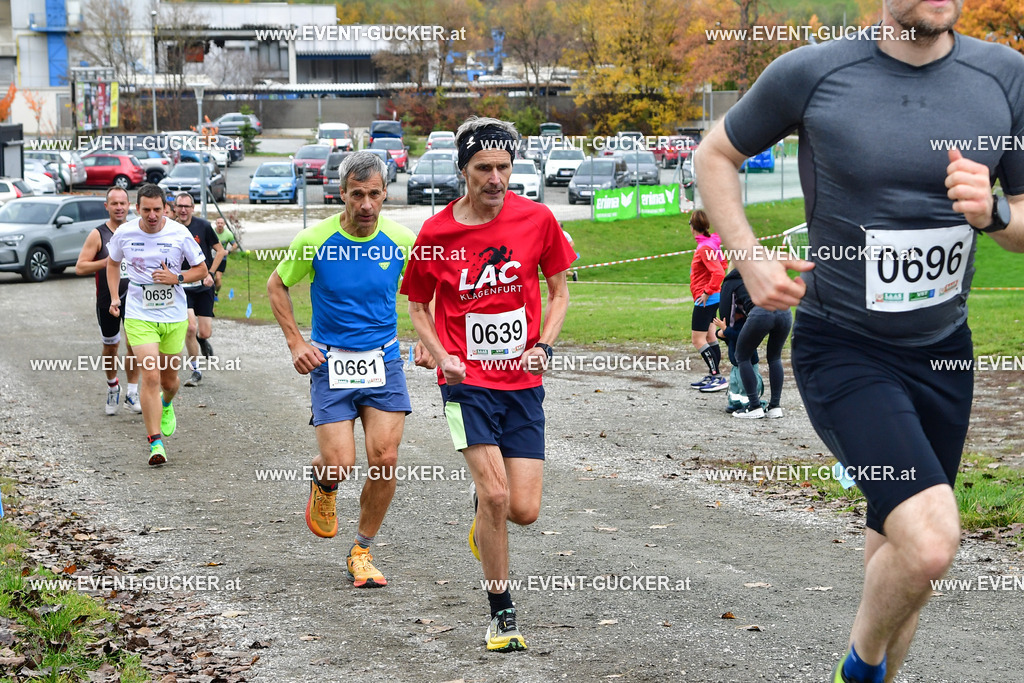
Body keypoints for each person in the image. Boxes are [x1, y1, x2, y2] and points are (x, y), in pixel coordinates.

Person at [695, 2, 1024, 681]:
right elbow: (715, 153)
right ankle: (860, 667)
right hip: (843, 349)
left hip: (943, 355)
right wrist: (750, 256)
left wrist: (995, 211)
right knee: (931, 541)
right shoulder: (814, 72)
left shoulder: (1006, 77)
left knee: (903, 559)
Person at [402, 116, 575, 653]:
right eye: (484, 169)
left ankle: (485, 526)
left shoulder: (538, 219)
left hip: (522, 381)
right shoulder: (437, 233)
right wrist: (441, 355)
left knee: (522, 510)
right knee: (495, 494)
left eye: (504, 167)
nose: (496, 179)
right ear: (463, 170)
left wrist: (544, 344)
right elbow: (418, 306)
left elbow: (559, 292)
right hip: (466, 383)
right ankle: (502, 616)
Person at [267, 151, 429, 589]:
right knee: (340, 462)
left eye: (374, 194)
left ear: (386, 194)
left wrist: (432, 343)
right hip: (331, 362)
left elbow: (424, 294)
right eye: (356, 194)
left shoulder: (402, 240)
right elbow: (277, 285)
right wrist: (296, 342)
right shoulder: (315, 240)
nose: (366, 205)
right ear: (341, 194)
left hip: (383, 360)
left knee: (386, 459)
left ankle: (361, 549)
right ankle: (325, 481)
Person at [106, 184, 208, 466]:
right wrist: (115, 297)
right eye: (146, 209)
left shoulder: (179, 233)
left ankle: (166, 404)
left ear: (167, 209)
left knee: (169, 382)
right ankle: (156, 444)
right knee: (149, 375)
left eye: (157, 210)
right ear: (137, 208)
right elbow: (113, 264)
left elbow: (202, 270)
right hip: (139, 314)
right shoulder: (124, 233)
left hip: (173, 316)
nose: (152, 215)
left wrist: (176, 278)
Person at [75, 187, 141, 415]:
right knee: (111, 346)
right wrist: (106, 263)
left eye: (123, 203)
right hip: (107, 300)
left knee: (134, 345)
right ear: (107, 206)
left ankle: (132, 392)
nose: (120, 207)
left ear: (129, 205)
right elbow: (80, 266)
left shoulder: (136, 231)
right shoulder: (98, 234)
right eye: (115, 203)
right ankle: (113, 386)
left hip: (135, 298)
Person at [719, 268, 790, 419]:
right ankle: (775, 407)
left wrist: (724, 334)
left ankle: (754, 407)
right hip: (785, 311)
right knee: (775, 358)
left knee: (742, 356)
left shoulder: (731, 281)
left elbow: (725, 316)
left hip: (762, 313)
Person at [173, 192, 226, 386]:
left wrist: (210, 274)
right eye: (180, 206)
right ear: (175, 207)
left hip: (203, 285)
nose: (183, 210)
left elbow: (220, 251)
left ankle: (202, 341)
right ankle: (196, 371)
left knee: (204, 332)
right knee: (190, 327)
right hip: (181, 286)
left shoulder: (203, 226)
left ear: (192, 208)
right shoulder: (170, 228)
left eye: (187, 206)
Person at [687, 210, 727, 392]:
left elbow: (719, 272)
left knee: (697, 339)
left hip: (707, 299)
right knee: (710, 336)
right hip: (714, 297)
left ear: (693, 226)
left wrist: (706, 291)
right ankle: (713, 375)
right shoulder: (711, 243)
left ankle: (717, 376)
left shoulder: (705, 248)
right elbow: (723, 264)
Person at [212, 217, 241, 297]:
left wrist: (228, 251)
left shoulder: (228, 234)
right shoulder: (211, 232)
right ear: (216, 224)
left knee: (218, 279)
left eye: (221, 223)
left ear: (224, 224)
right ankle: (209, 294)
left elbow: (235, 245)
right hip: (211, 258)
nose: (220, 225)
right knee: (209, 277)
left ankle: (216, 293)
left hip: (222, 259)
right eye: (218, 223)